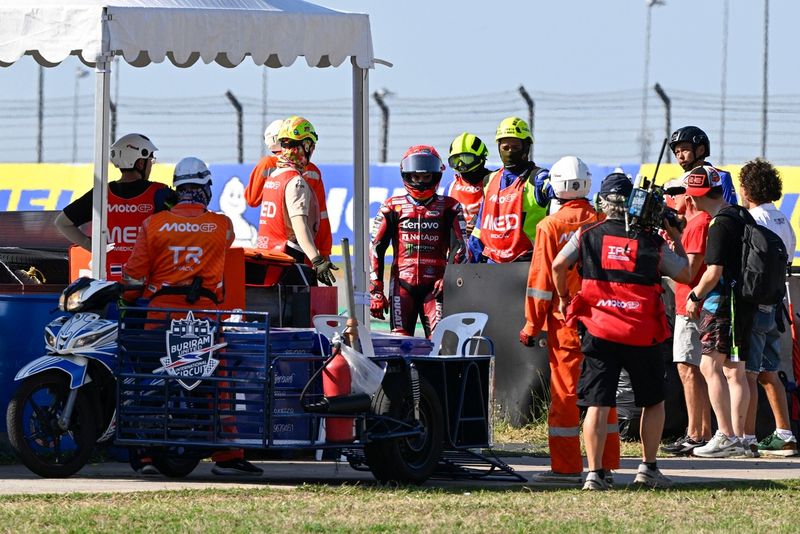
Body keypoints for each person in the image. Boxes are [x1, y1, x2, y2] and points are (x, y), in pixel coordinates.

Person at [122, 156, 263, 477]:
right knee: (217, 383)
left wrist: (130, 299)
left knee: (147, 383)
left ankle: (144, 453)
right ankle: (227, 455)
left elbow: (133, 279)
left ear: (177, 189)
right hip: (203, 321)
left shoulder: (153, 224)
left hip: (159, 320)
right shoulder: (222, 226)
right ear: (205, 189)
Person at [552, 172, 690, 490]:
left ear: (602, 201)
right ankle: (648, 467)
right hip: (644, 331)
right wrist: (676, 238)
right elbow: (686, 274)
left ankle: (594, 474)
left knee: (598, 403)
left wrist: (563, 299)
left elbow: (559, 266)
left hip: (599, 331)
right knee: (653, 401)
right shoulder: (652, 242)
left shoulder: (587, 233)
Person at [520, 157, 620, 486]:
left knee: (565, 396)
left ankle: (565, 467)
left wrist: (532, 326)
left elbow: (540, 282)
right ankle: (604, 462)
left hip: (565, 324)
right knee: (601, 393)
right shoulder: (601, 220)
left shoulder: (549, 227)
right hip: (603, 319)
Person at [684, 166, 756, 458]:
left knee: (709, 366)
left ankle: (725, 435)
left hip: (721, 305)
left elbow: (713, 272)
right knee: (735, 371)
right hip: (745, 302)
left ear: (698, 195)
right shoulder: (741, 215)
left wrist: (694, 296)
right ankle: (742, 439)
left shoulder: (718, 224)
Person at [369, 145, 467, 337]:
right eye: (416, 177)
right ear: (406, 175)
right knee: (399, 342)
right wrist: (376, 291)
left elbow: (460, 248)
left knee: (438, 343)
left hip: (436, 287)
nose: (421, 182)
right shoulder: (391, 206)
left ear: (436, 176)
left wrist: (449, 278)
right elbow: (376, 249)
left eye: (426, 177)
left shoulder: (450, 207)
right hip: (401, 285)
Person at [738, 158, 798, 457]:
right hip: (775, 305)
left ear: (747, 189)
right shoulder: (783, 220)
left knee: (747, 373)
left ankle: (746, 438)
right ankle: (785, 435)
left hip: (753, 305)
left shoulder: (752, 221)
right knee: (769, 372)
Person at [54, 133, 172, 281]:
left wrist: (93, 247)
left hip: (110, 284)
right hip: (149, 284)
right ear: (140, 163)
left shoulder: (102, 193)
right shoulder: (160, 193)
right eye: (151, 160)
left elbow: (62, 223)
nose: (151, 165)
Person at [659, 175, 713, 456]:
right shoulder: (693, 225)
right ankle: (699, 432)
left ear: (687, 195)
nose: (669, 199)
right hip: (688, 303)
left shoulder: (698, 224)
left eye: (673, 193)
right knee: (693, 370)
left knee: (688, 369)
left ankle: (696, 434)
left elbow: (689, 270)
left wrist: (667, 252)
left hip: (690, 305)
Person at [249, 116, 336, 285]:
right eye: (310, 145)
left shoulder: (274, 176)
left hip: (268, 258)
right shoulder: (296, 181)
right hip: (290, 261)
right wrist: (317, 260)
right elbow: (300, 227)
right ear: (304, 146)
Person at [468, 117, 549, 263]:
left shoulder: (537, 178)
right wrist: (470, 263)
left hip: (526, 265)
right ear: (499, 148)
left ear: (526, 147)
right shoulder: (489, 180)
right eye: (505, 148)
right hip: (492, 266)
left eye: (515, 147)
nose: (510, 152)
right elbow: (480, 228)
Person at [668, 125, 737, 205]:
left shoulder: (720, 177)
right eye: (677, 152)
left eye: (685, 150)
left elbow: (730, 211)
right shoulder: (678, 182)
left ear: (701, 150)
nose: (680, 156)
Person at [445, 132, 492, 237]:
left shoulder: (495, 182)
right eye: (456, 160)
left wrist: (480, 229)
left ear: (481, 158)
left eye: (467, 159)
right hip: (459, 249)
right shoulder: (450, 187)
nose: (461, 165)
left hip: (487, 249)